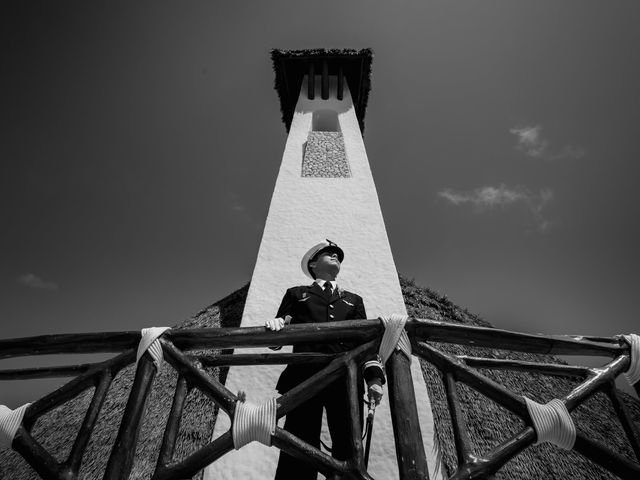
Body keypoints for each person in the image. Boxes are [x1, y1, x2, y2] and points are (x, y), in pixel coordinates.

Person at [265, 240, 384, 479]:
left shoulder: (353, 300)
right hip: (304, 378)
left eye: (337, 255)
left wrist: (374, 379)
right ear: (313, 264)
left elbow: (365, 343)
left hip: (345, 379)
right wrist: (276, 327)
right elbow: (278, 335)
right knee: (299, 443)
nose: (335, 256)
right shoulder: (297, 293)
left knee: (348, 445)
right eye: (328, 254)